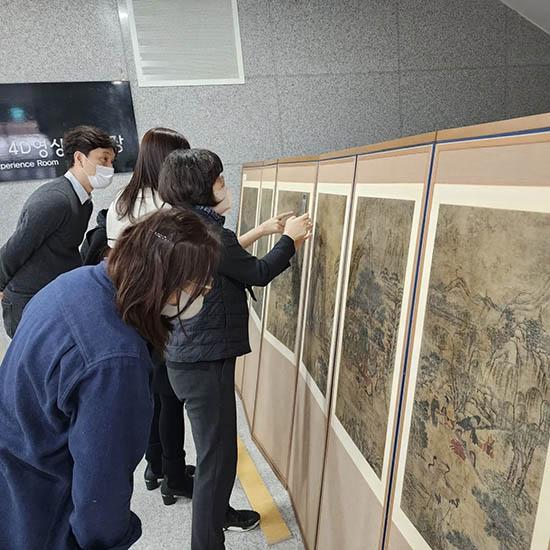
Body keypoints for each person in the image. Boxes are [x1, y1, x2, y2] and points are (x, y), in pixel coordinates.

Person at [0, 209, 220, 550]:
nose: (204, 293)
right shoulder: (116, 362)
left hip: (16, 475)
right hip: (43, 513)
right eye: (199, 285)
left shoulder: (76, 282)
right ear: (166, 283)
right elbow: (100, 501)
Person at [157, 148, 312, 550]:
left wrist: (260, 232)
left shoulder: (177, 226)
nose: (225, 187)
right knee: (218, 459)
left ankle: (217, 521)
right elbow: (257, 272)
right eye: (220, 180)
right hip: (203, 362)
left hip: (184, 356)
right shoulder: (210, 234)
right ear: (200, 188)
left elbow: (221, 262)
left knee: (217, 454)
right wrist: (290, 240)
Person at [106, 126, 194, 499]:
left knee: (152, 394)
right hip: (161, 312)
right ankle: (175, 476)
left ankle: (154, 465)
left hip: (128, 310)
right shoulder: (166, 208)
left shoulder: (121, 202)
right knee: (170, 396)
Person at [0, 125, 117, 338]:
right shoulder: (56, 200)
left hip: (53, 296)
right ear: (79, 158)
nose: (110, 167)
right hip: (29, 301)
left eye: (111, 161)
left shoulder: (83, 202)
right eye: (104, 159)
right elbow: (18, 246)